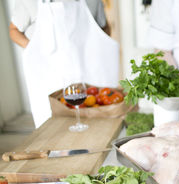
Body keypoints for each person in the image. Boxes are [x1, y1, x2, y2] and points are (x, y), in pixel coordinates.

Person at [9, 0, 119, 128]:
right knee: (53, 128)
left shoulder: (93, 1)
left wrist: (97, 49)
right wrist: (34, 50)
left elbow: (104, 27)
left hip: (87, 71)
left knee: (95, 125)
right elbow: (14, 29)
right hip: (48, 74)